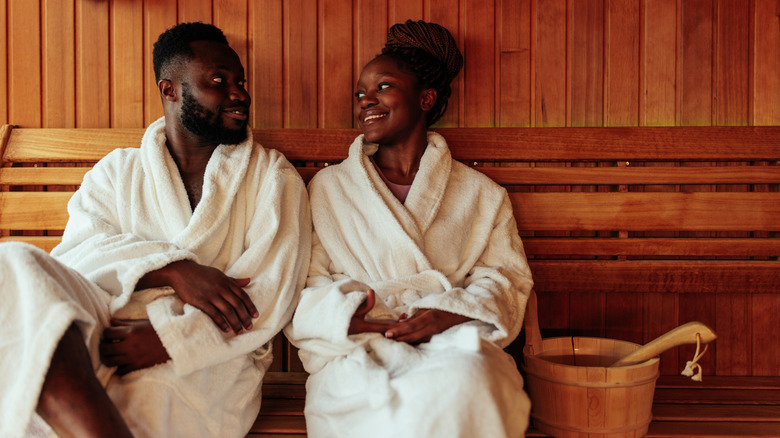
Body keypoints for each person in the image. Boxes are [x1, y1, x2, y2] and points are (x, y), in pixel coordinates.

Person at [0, 22, 311, 438]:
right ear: (170, 90)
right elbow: (75, 256)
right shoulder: (117, 171)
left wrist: (171, 339)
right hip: (107, 322)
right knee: (12, 262)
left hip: (209, 349)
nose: (240, 93)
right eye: (219, 81)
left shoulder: (272, 177)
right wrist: (174, 270)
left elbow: (272, 292)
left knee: (152, 401)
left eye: (240, 81)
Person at [285, 20, 533, 438]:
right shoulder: (329, 189)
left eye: (382, 87)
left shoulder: (481, 194)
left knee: (467, 383)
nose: (366, 101)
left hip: (452, 343)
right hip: (361, 348)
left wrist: (450, 313)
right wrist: (353, 318)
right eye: (360, 93)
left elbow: (506, 279)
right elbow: (307, 282)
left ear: (426, 98)